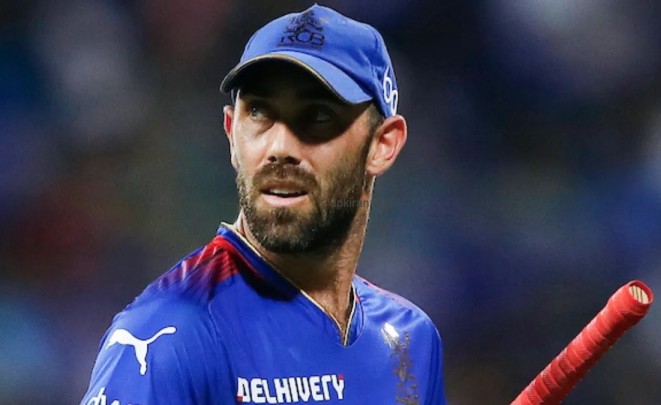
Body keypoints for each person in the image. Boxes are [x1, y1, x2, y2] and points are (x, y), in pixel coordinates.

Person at [81, 5, 446, 404]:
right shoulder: (171, 336)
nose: (279, 147)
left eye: (317, 116)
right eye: (259, 112)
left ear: (382, 144)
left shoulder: (410, 343)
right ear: (231, 132)